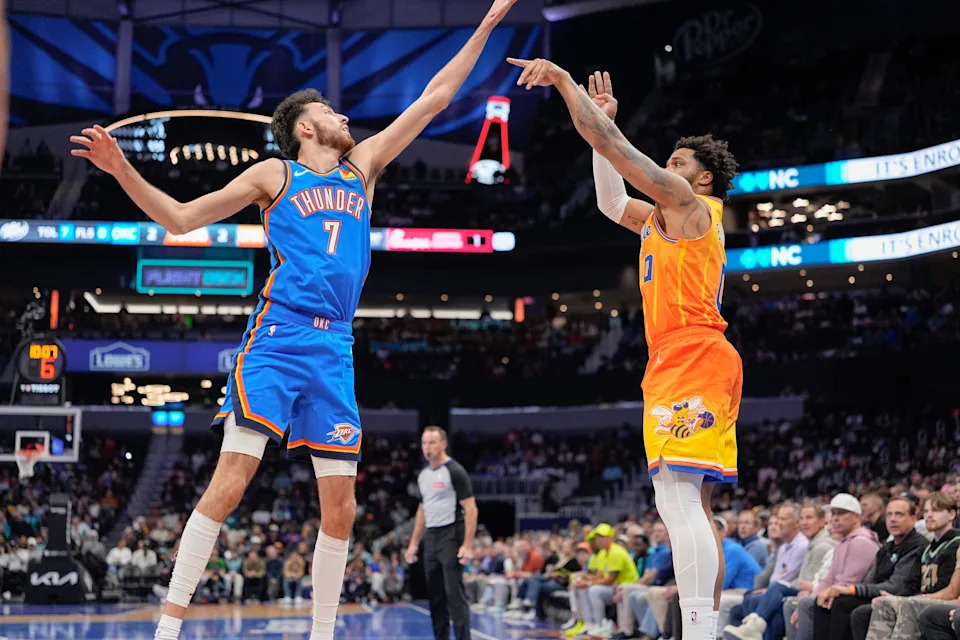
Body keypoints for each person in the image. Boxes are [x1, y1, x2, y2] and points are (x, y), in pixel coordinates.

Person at [70, 2, 517, 638]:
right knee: (231, 482)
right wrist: (121, 169)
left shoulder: (364, 168)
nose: (343, 117)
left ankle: (322, 632)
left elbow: (437, 96)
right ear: (304, 129)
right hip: (278, 338)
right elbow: (179, 219)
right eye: (329, 113)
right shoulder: (274, 173)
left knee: (342, 506)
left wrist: (487, 25)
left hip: (335, 347)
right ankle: (168, 627)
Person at [508, 59, 741, 640]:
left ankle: (699, 629)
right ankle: (703, 626)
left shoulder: (689, 205)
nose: (669, 166)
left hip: (694, 352)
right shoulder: (657, 219)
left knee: (678, 499)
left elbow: (616, 149)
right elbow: (611, 201)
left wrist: (566, 85)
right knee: (687, 502)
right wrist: (602, 124)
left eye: (680, 162)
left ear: (702, 178)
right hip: (672, 358)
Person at [405, 427, 479, 640]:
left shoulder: (455, 471)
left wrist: (467, 545)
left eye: (432, 443)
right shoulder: (424, 476)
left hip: (451, 535)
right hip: (431, 538)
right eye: (424, 443)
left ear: (443, 444)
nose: (427, 448)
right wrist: (413, 544)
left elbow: (471, 509)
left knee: (454, 594)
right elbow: (422, 510)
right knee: (435, 597)